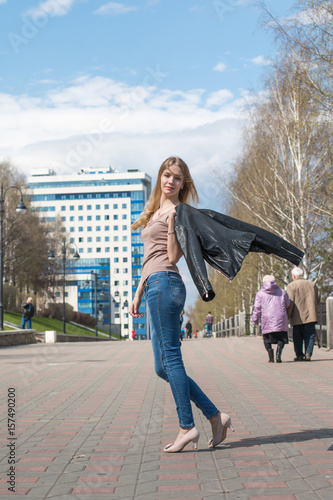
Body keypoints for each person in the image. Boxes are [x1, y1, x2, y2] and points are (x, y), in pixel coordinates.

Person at [130, 156, 234, 453]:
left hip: (166, 284)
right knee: (162, 367)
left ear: (182, 184)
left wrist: (175, 224)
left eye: (177, 178)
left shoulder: (176, 212)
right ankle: (216, 416)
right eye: (166, 175)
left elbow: (173, 257)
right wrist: (138, 292)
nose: (170, 181)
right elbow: (149, 258)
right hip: (153, 285)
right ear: (160, 177)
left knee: (171, 359)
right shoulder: (154, 211)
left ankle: (187, 427)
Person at [252, 275, 290, 363]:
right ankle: (278, 354)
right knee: (281, 338)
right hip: (280, 318)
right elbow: (287, 304)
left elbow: (257, 308)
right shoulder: (282, 292)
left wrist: (255, 320)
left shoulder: (260, 293)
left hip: (267, 319)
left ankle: (271, 357)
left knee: (267, 339)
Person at [287, 267, 320, 361]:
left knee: (297, 336)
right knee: (310, 334)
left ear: (293, 276)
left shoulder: (291, 286)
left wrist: (288, 315)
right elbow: (318, 299)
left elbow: (290, 302)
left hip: (297, 315)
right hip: (310, 314)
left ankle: (299, 355)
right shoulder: (312, 284)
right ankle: (308, 353)